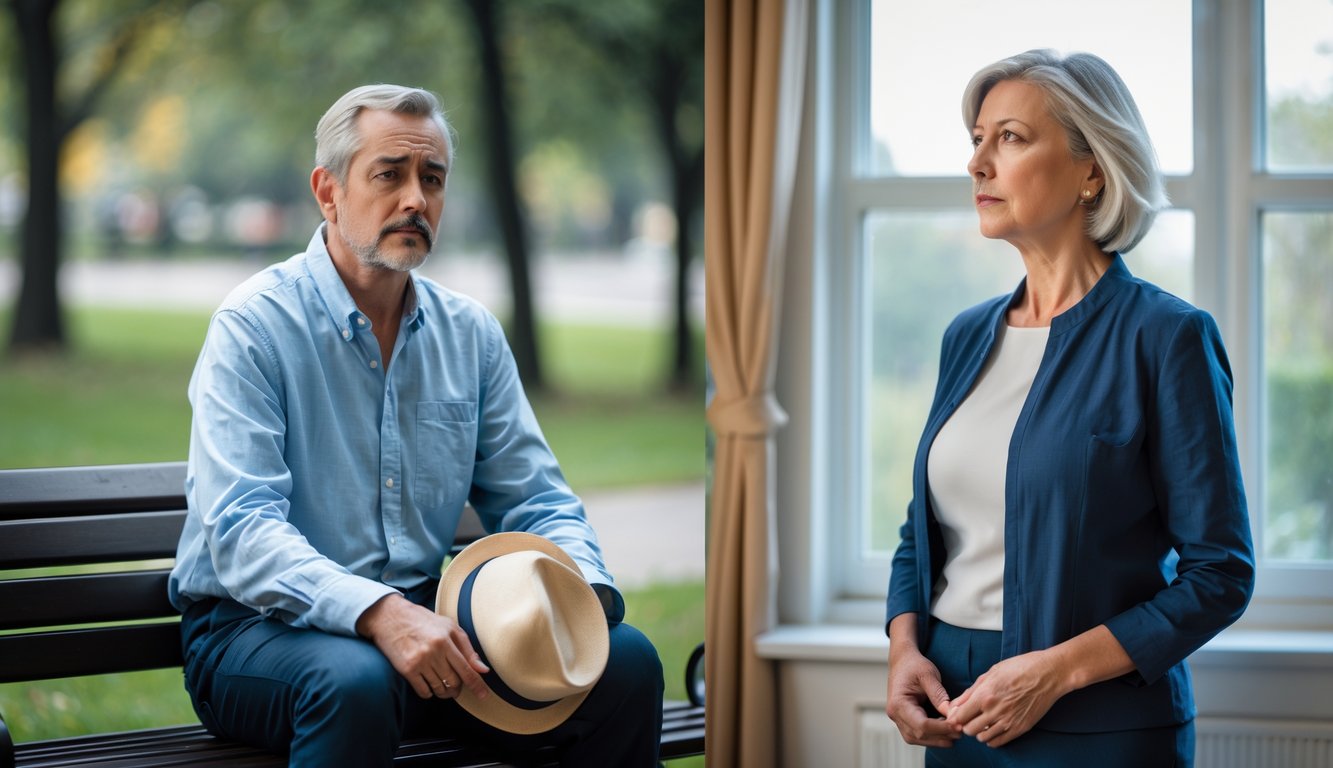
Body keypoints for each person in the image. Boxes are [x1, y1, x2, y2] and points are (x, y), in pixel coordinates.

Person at [168, 84, 664, 767]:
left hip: (429, 625)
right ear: (328, 191)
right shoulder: (254, 327)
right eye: (388, 175)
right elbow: (243, 528)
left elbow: (534, 499)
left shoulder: (470, 335)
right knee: (355, 682)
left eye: (432, 179)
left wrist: (582, 596)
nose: (415, 200)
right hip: (253, 634)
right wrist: (379, 614)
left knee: (626, 663)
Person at [884, 50, 1255, 767]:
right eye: (976, 140)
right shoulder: (965, 336)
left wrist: (1051, 672)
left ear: (1092, 170)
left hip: (1102, 727)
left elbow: (1219, 574)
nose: (977, 164)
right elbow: (921, 531)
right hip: (952, 717)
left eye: (1011, 138)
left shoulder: (1167, 337)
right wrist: (904, 650)